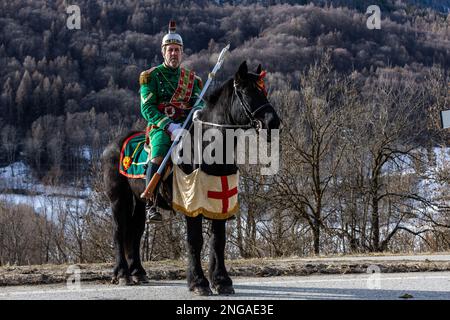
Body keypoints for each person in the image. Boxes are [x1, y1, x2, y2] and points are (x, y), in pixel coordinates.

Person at [139, 20, 204, 223]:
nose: (174, 53)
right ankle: (151, 204)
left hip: (187, 126)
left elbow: (199, 104)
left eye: (177, 50)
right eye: (170, 50)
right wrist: (169, 125)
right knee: (158, 155)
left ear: (182, 52)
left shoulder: (192, 80)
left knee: (214, 151)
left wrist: (197, 112)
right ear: (163, 52)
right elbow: (147, 108)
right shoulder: (151, 77)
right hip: (163, 128)